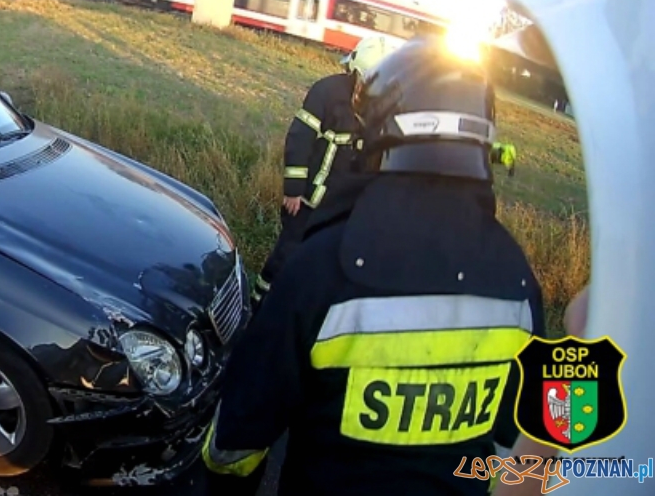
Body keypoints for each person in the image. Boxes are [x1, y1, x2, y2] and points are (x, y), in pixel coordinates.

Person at [202, 34, 547, 495]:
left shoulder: (324, 267)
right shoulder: (518, 282)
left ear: (380, 136)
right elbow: (519, 443)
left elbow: (237, 440)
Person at [252, 34, 404, 303]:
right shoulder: (327, 91)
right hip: (310, 203)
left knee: (325, 267)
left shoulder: (384, 108)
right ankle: (258, 306)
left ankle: (296, 312)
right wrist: (293, 190)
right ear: (355, 72)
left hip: (346, 209)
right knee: (287, 255)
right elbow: (300, 138)